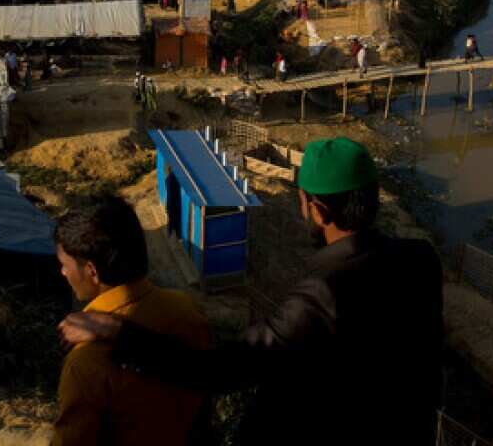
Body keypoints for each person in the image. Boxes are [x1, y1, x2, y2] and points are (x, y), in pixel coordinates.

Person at [59, 137, 444, 446]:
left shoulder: (323, 294)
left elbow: (224, 370)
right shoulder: (420, 260)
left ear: (319, 211)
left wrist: (119, 333)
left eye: (302, 200)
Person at [53, 197, 211, 446]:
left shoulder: (85, 361)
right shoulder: (186, 310)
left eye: (64, 265)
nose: (63, 272)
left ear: (92, 271)